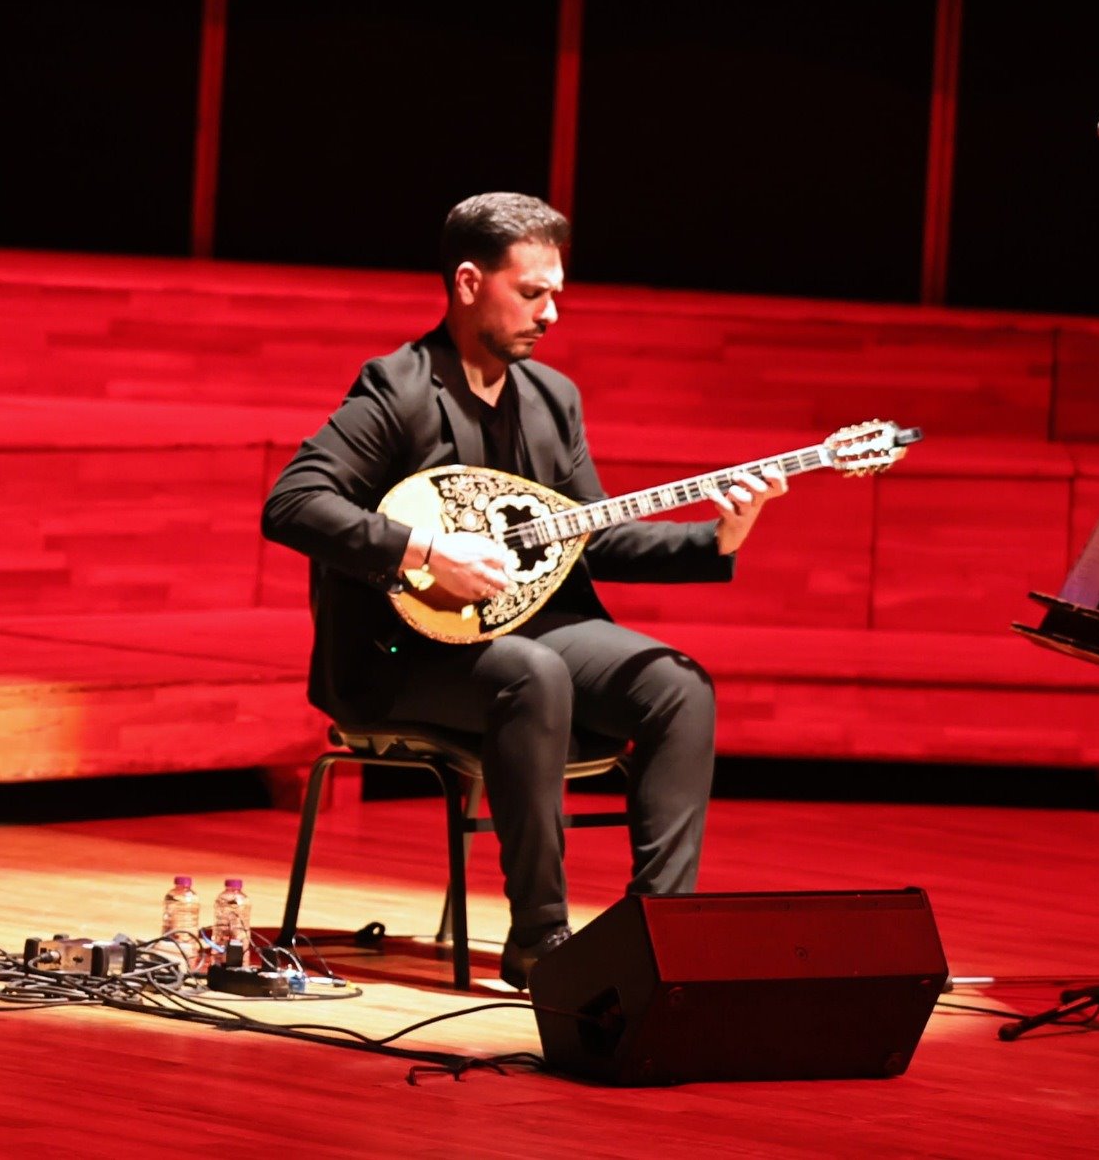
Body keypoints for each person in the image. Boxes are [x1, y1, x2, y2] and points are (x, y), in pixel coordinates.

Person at [261, 192, 786, 988]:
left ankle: (656, 934)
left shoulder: (551, 399)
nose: (551, 313)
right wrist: (425, 551)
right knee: (532, 675)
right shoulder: (398, 389)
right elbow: (293, 502)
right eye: (532, 292)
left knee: (678, 686)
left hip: (528, 627)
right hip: (400, 651)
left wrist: (718, 539)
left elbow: (591, 533)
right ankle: (542, 939)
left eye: (557, 294)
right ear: (469, 282)